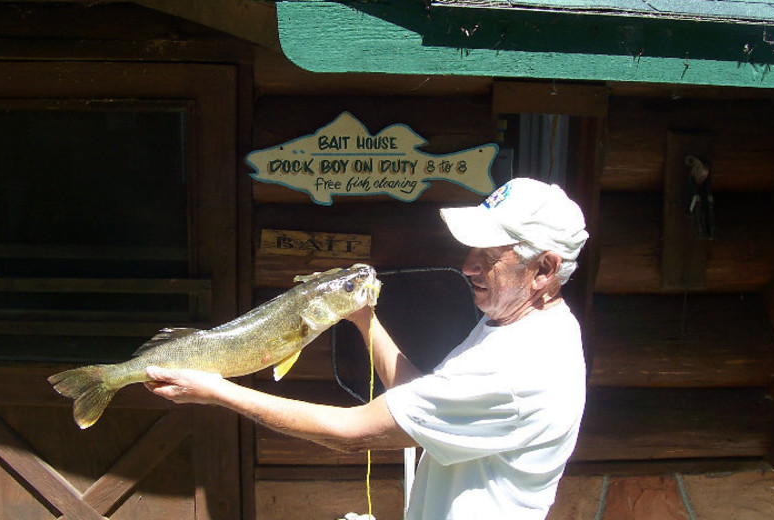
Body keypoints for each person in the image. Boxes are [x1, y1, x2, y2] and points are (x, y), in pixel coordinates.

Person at [145, 177, 589, 520]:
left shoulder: (521, 365)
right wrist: (362, 316)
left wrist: (217, 390)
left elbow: (353, 433)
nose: (468, 265)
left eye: (488, 256)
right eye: (471, 249)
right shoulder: (517, 325)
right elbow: (424, 398)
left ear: (543, 270)